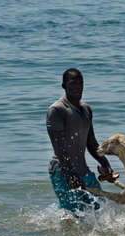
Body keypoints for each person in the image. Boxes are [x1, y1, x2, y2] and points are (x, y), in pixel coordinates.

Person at [46, 68, 116, 212]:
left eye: (80, 83)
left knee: (100, 208)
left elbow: (91, 143)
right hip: (62, 172)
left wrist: (105, 164)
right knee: (73, 214)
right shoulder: (57, 110)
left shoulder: (86, 110)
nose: (77, 87)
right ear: (64, 85)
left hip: (83, 171)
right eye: (73, 83)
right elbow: (60, 149)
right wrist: (71, 175)